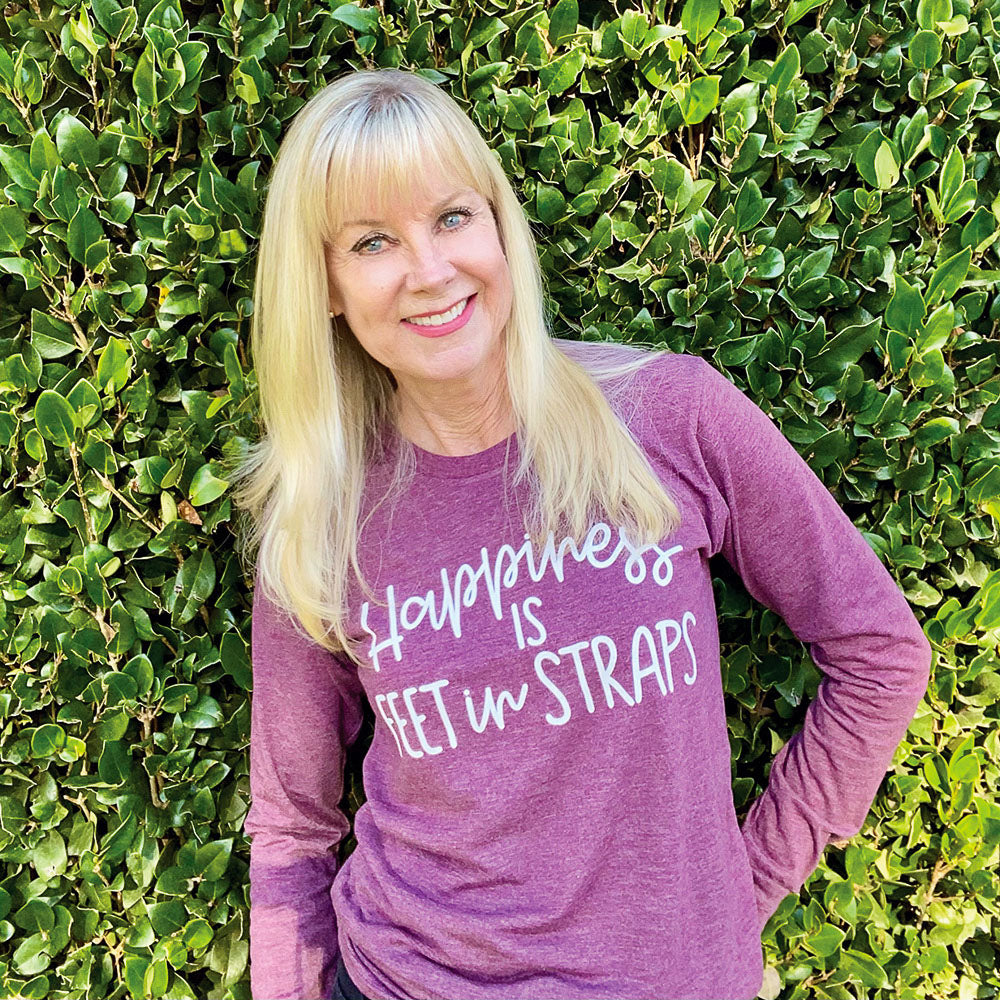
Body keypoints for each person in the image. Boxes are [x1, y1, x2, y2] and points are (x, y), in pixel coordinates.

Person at [231, 68, 932, 1000]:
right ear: (324, 284)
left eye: (451, 217)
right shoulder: (322, 512)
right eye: (372, 241)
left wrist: (743, 886)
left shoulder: (667, 414)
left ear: (498, 224)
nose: (431, 270)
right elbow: (292, 822)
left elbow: (880, 650)